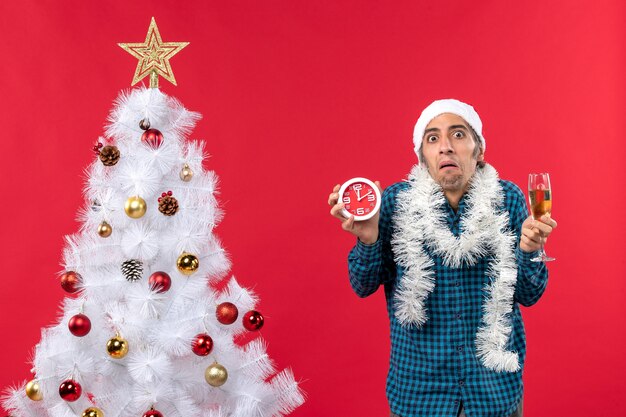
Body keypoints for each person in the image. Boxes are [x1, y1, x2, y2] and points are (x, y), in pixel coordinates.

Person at [328, 99, 557, 417]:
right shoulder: (394, 203)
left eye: (459, 135)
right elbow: (362, 286)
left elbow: (530, 295)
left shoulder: (509, 200)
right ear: (422, 157)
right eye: (433, 138)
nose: (446, 147)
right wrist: (368, 239)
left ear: (479, 152)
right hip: (420, 394)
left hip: (494, 392)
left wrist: (530, 252)